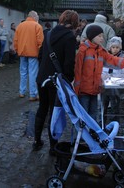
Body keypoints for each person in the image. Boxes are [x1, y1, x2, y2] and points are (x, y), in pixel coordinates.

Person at [33, 10, 79, 153]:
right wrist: (68, 80)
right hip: (56, 80)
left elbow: (40, 56)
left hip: (42, 78)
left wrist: (44, 70)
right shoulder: (70, 38)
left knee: (42, 108)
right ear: (74, 23)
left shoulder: (48, 33)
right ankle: (53, 146)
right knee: (54, 111)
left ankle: (36, 141)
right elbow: (69, 63)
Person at [74, 25, 124, 122]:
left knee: (93, 115)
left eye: (102, 36)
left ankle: (92, 135)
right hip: (83, 91)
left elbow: (113, 61)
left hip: (95, 89)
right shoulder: (82, 51)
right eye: (100, 36)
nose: (102, 38)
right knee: (82, 116)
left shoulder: (101, 51)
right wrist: (76, 90)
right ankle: (81, 136)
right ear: (92, 36)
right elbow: (77, 71)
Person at [14, 11, 43, 101]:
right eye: (37, 15)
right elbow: (40, 42)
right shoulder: (37, 26)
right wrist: (40, 53)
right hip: (33, 53)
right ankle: (33, 94)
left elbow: (16, 41)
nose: (38, 17)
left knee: (23, 73)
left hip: (22, 53)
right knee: (33, 73)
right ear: (34, 16)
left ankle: (22, 92)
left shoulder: (20, 26)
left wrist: (17, 50)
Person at [102, 36, 124, 120]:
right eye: (113, 47)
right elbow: (101, 68)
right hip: (105, 84)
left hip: (116, 85)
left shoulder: (122, 58)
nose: (115, 49)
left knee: (115, 105)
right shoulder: (105, 57)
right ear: (110, 47)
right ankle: (102, 122)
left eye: (117, 47)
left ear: (120, 47)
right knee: (103, 104)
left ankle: (115, 123)